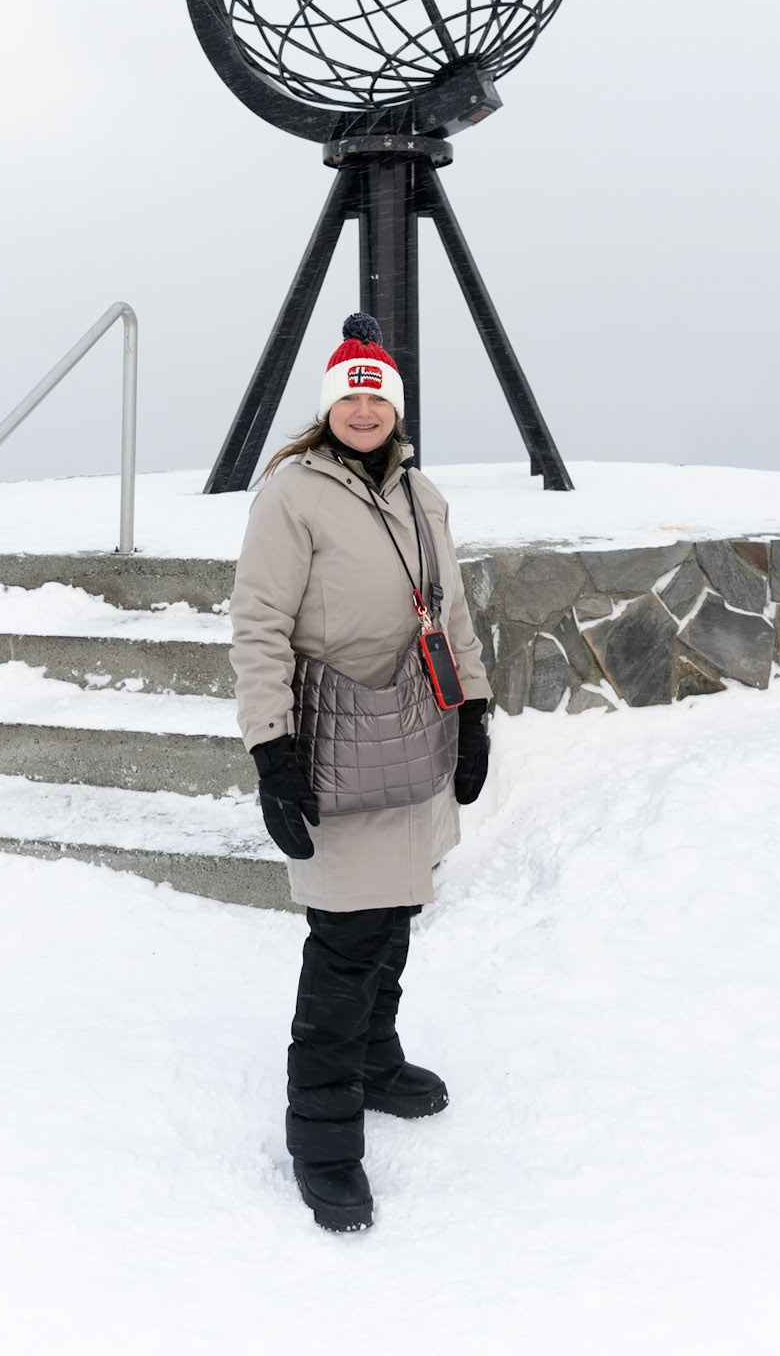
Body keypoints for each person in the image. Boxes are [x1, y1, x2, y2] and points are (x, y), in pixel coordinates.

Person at [229, 312, 493, 1233]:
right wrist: (272, 748)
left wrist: (478, 712)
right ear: (328, 407)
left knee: (396, 915)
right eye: (350, 395)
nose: (365, 409)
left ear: (395, 408)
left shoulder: (424, 495)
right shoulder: (291, 496)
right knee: (346, 939)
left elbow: (450, 609)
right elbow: (258, 624)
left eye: (377, 395)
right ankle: (323, 1138)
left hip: (414, 729)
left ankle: (376, 1062)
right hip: (333, 739)